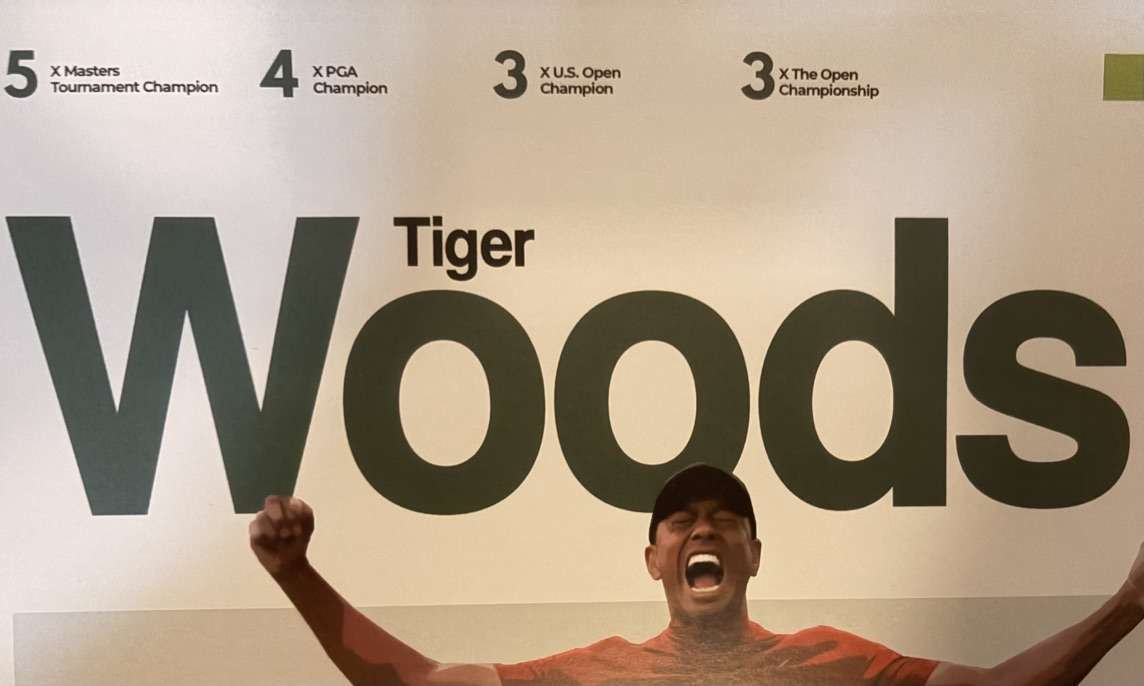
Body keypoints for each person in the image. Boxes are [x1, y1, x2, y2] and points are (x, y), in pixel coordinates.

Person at [250, 464, 1144, 685]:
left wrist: (1128, 606)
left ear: (752, 554)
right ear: (654, 560)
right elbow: (420, 684)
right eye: (681, 521)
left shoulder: (831, 663)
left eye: (724, 520)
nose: (703, 529)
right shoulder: (599, 673)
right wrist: (297, 575)